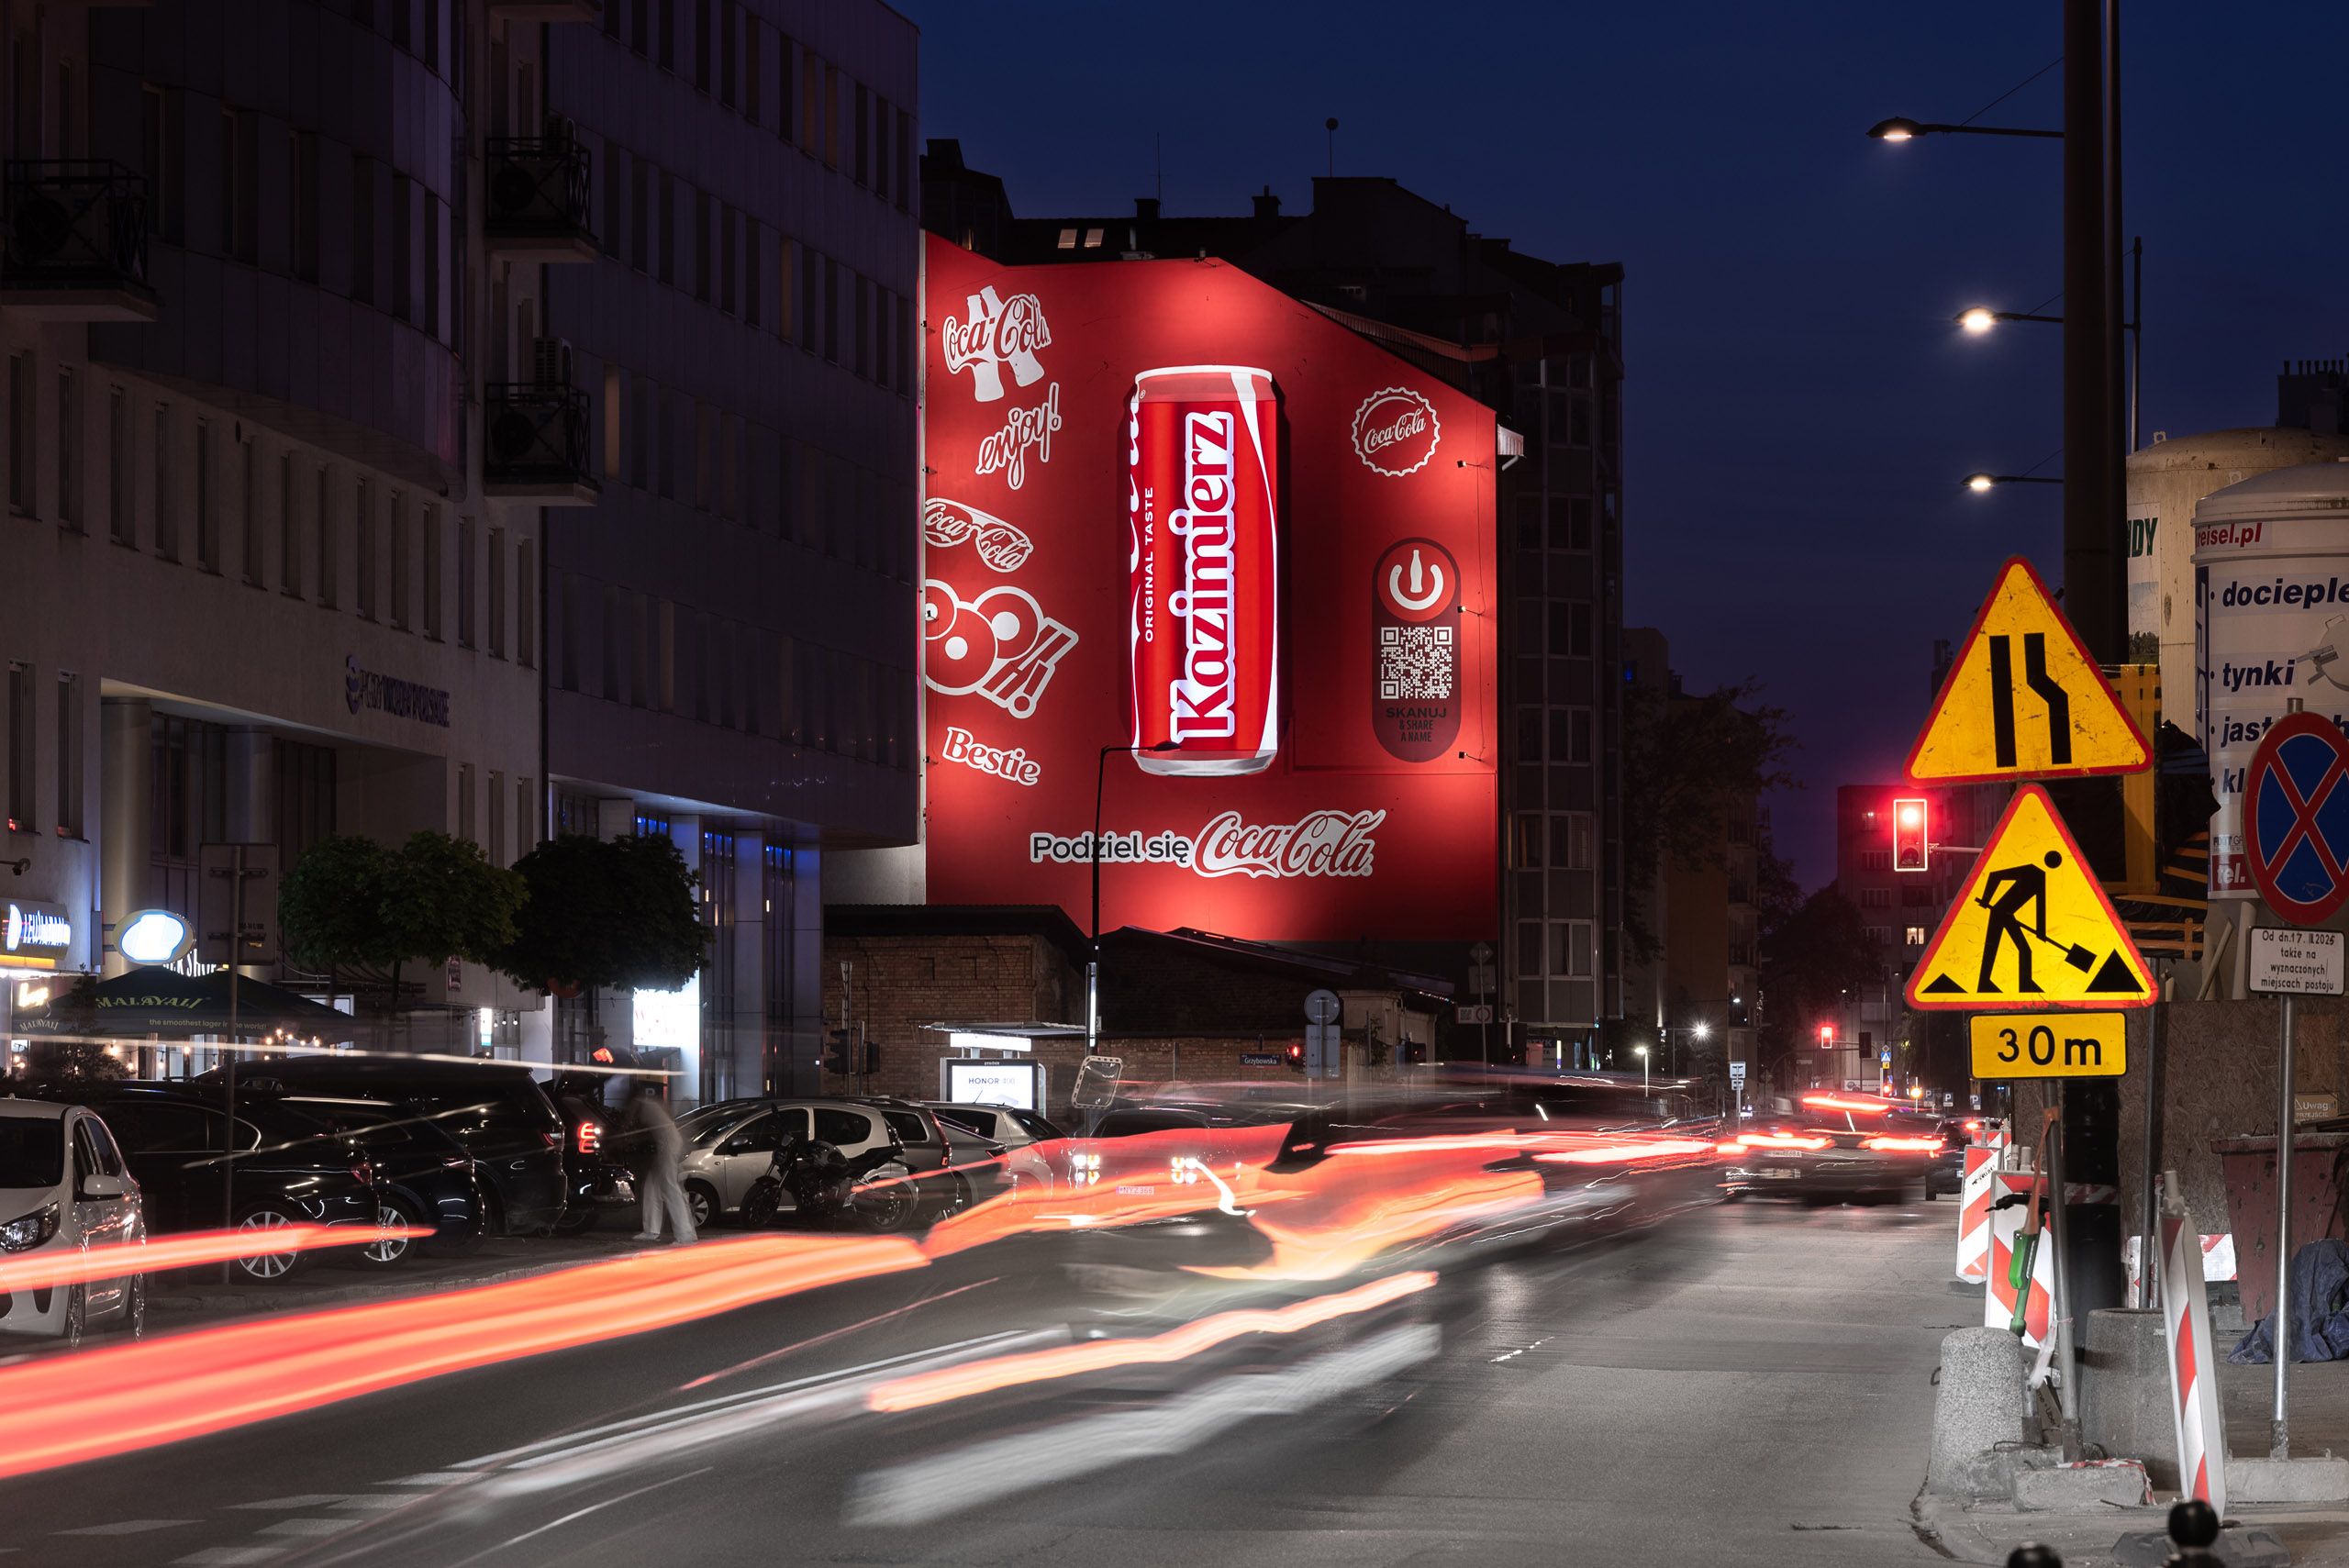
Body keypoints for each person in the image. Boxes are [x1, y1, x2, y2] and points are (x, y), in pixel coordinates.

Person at [620, 1083, 696, 1244]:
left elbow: (631, 1125)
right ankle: (651, 1230)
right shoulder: (650, 1103)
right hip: (666, 1144)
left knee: (670, 1187)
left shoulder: (641, 1104)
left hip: (667, 1145)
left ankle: (685, 1234)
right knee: (651, 1188)